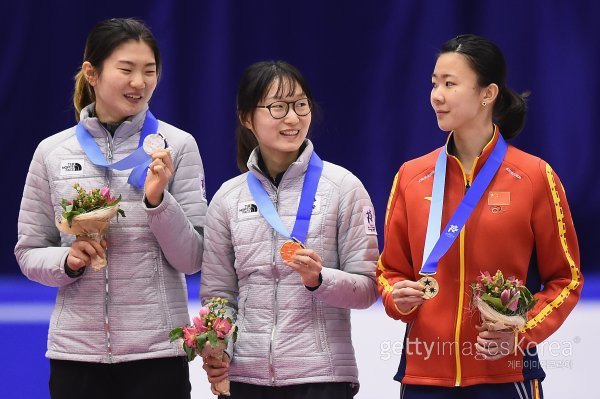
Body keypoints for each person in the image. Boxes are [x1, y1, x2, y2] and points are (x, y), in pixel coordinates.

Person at [377, 34, 582, 398]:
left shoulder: (534, 176)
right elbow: (389, 270)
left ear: (488, 93)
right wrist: (397, 297)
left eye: (450, 84)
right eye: (434, 83)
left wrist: (519, 332)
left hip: (505, 376)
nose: (436, 95)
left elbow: (565, 279)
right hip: (425, 375)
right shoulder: (411, 176)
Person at [15, 18, 206, 399]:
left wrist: (157, 201)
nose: (140, 82)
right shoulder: (52, 152)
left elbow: (193, 258)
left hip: (157, 355)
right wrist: (67, 262)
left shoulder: (177, 146)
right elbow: (28, 251)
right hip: (76, 356)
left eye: (149, 71)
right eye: (126, 69)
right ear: (92, 73)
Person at [200, 60, 379, 399]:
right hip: (246, 378)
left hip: (322, 377)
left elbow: (369, 287)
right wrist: (216, 343)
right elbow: (218, 296)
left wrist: (319, 279)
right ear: (246, 117)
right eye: (278, 107)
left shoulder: (343, 187)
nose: (293, 118)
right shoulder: (227, 197)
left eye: (300, 105)